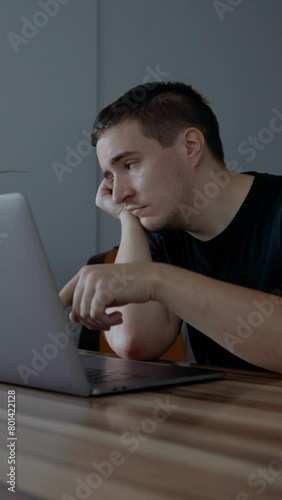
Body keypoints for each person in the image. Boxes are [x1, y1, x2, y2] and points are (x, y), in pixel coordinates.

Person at [59, 81, 282, 373]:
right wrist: (130, 223)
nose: (118, 194)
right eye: (111, 176)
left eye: (130, 165)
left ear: (190, 146)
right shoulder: (165, 229)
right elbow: (134, 342)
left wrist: (157, 280)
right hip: (230, 414)